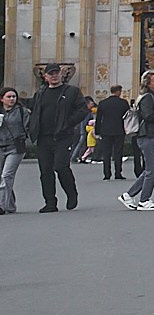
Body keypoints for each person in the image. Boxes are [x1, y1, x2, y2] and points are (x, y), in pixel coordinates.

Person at [30, 64, 86, 212]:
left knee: (61, 166)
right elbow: (34, 111)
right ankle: (50, 202)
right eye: (51, 74)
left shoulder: (71, 91)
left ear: (61, 74)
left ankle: (71, 193)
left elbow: (82, 110)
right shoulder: (40, 93)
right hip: (43, 137)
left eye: (56, 73)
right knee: (45, 171)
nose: (54, 76)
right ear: (46, 77)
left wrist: (68, 123)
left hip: (63, 136)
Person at [123, 70, 154, 211]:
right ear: (147, 83)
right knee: (153, 170)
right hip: (148, 136)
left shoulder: (152, 96)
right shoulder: (148, 97)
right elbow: (148, 116)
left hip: (152, 135)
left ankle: (129, 195)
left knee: (151, 169)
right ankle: (144, 200)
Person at [95, 84, 130, 180]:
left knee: (106, 152)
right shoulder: (123, 103)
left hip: (106, 130)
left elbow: (99, 118)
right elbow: (128, 116)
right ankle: (118, 173)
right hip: (119, 129)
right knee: (118, 152)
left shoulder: (103, 103)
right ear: (118, 91)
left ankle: (107, 174)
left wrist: (97, 131)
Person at [0, 87, 24, 214]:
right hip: (0, 145)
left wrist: (23, 136)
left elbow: (28, 126)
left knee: (7, 175)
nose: (12, 99)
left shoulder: (21, 111)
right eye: (8, 97)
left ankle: (1, 205)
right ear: (2, 99)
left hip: (15, 147)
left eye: (14, 97)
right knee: (2, 177)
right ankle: (10, 206)